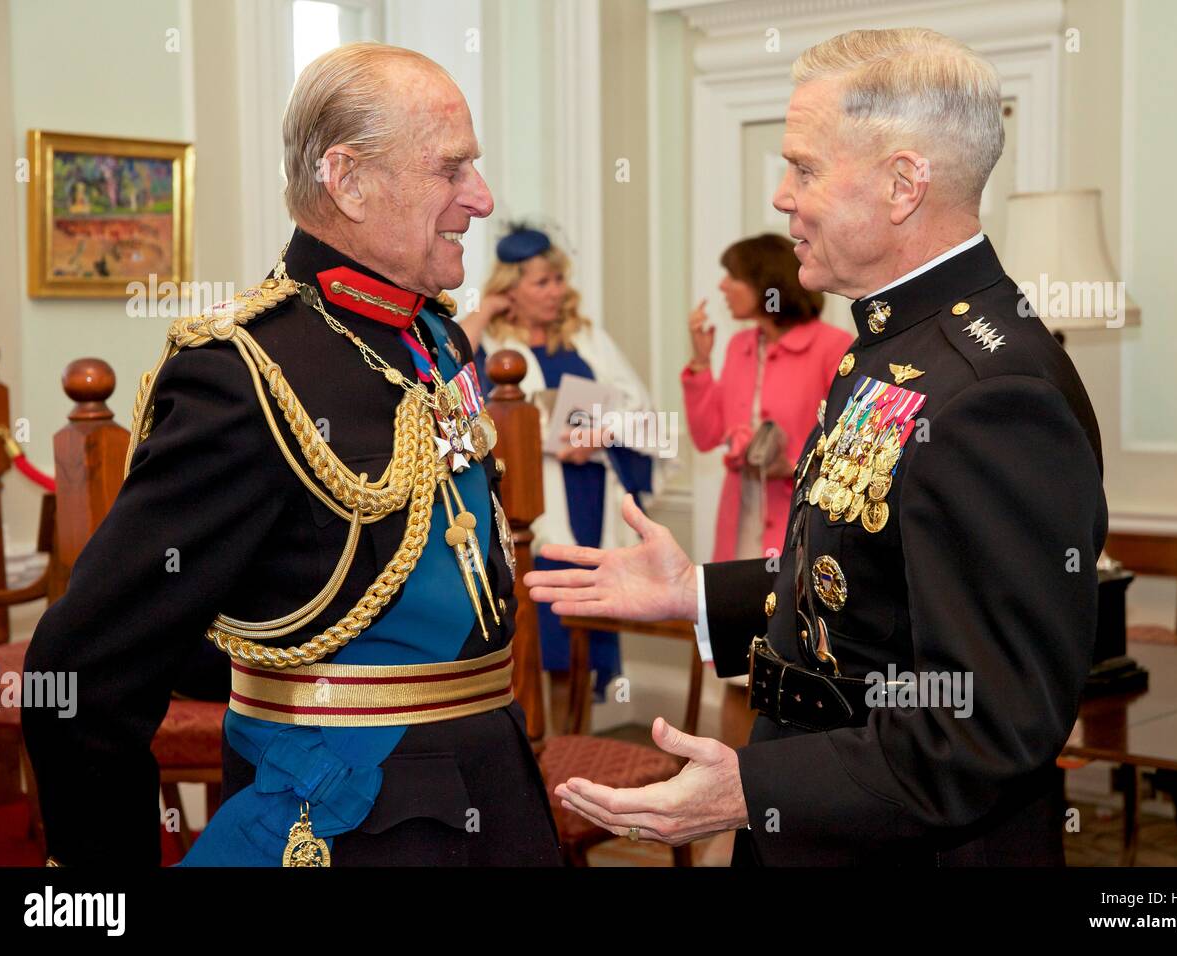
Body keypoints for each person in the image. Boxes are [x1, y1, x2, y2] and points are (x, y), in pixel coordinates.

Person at [526, 27, 1107, 866]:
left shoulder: (994, 391)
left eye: (803, 167)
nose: (780, 196)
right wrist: (698, 593)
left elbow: (988, 721)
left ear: (904, 184)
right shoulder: (893, 341)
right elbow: (873, 582)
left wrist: (752, 791)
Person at [22, 42, 561, 867]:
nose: (480, 199)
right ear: (346, 180)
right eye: (451, 171)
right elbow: (80, 677)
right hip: (353, 826)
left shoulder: (435, 335)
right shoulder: (243, 375)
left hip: (492, 791)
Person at [463, 227, 664, 728]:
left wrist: (598, 434)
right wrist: (485, 311)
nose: (556, 291)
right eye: (542, 282)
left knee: (582, 614)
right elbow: (445, 379)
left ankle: (575, 741)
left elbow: (646, 414)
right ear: (512, 287)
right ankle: (535, 739)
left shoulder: (586, 338)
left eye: (558, 280)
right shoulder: (490, 342)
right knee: (535, 620)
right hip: (525, 499)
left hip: (586, 495)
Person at [683, 233, 852, 562]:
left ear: (766, 283)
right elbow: (706, 437)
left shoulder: (832, 347)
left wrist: (791, 467)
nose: (722, 287)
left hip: (802, 517)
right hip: (741, 517)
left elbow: (848, 447)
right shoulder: (739, 346)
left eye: (734, 277)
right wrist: (701, 362)